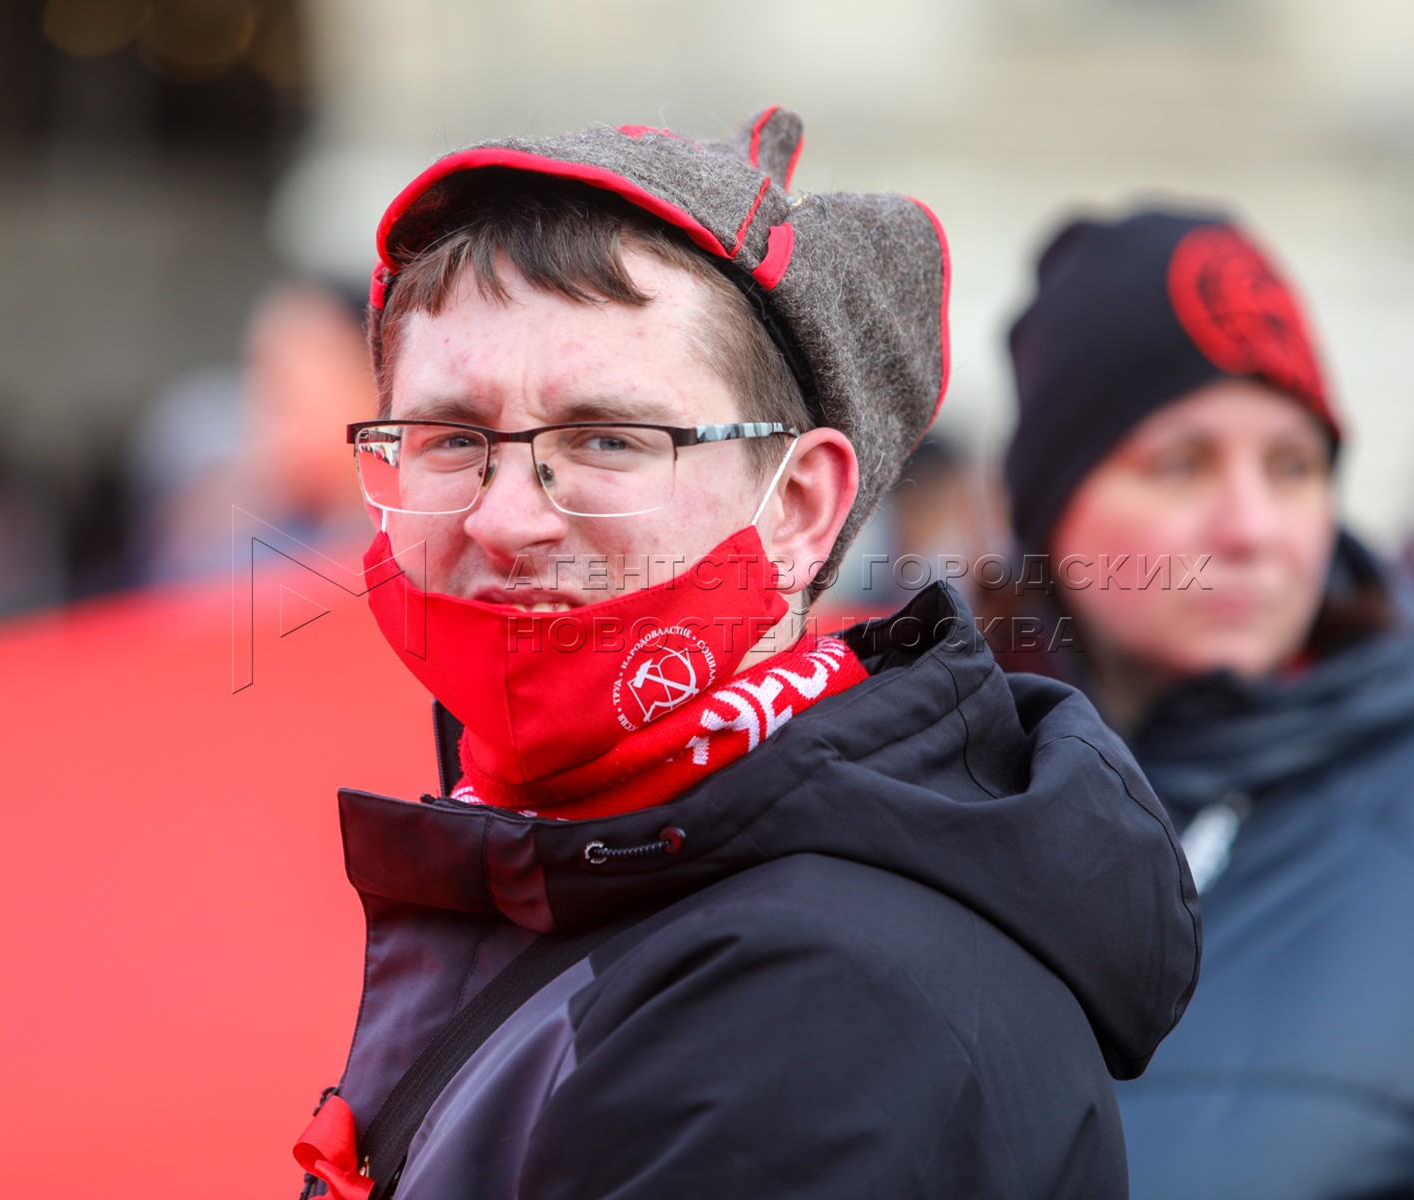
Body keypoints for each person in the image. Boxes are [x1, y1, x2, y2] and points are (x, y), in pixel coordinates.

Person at [289, 110, 1200, 1200]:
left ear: (799, 508)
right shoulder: (596, 864)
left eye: (608, 439)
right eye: (451, 439)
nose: (504, 519)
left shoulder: (823, 1008)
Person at [1000, 208, 1414, 1198]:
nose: (1252, 528)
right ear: (1050, 509)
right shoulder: (929, 798)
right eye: (1182, 463)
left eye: (1293, 466)